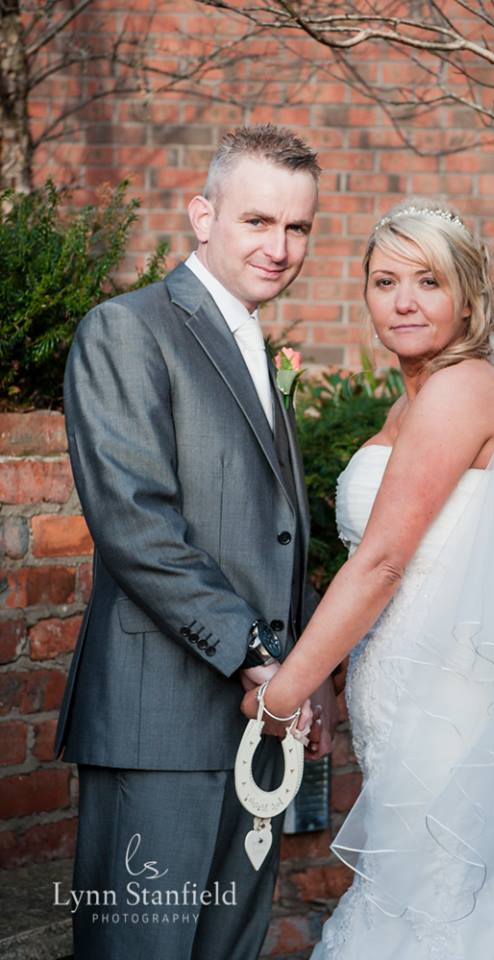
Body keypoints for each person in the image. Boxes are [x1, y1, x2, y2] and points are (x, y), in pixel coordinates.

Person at [242, 200, 494, 958]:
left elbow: (382, 562)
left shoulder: (461, 389)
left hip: (445, 706)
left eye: (428, 281)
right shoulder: (417, 397)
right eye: (384, 281)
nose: (402, 302)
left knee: (439, 904)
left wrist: (283, 693)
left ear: (467, 296)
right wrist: (332, 683)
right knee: (419, 896)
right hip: (402, 701)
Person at [54, 124, 337, 960]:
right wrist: (258, 658)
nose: (279, 248)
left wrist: (307, 670)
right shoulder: (127, 329)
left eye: (297, 227)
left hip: (259, 722)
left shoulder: (253, 343)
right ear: (202, 215)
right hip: (160, 723)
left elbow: (274, 534)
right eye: (258, 221)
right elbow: (136, 524)